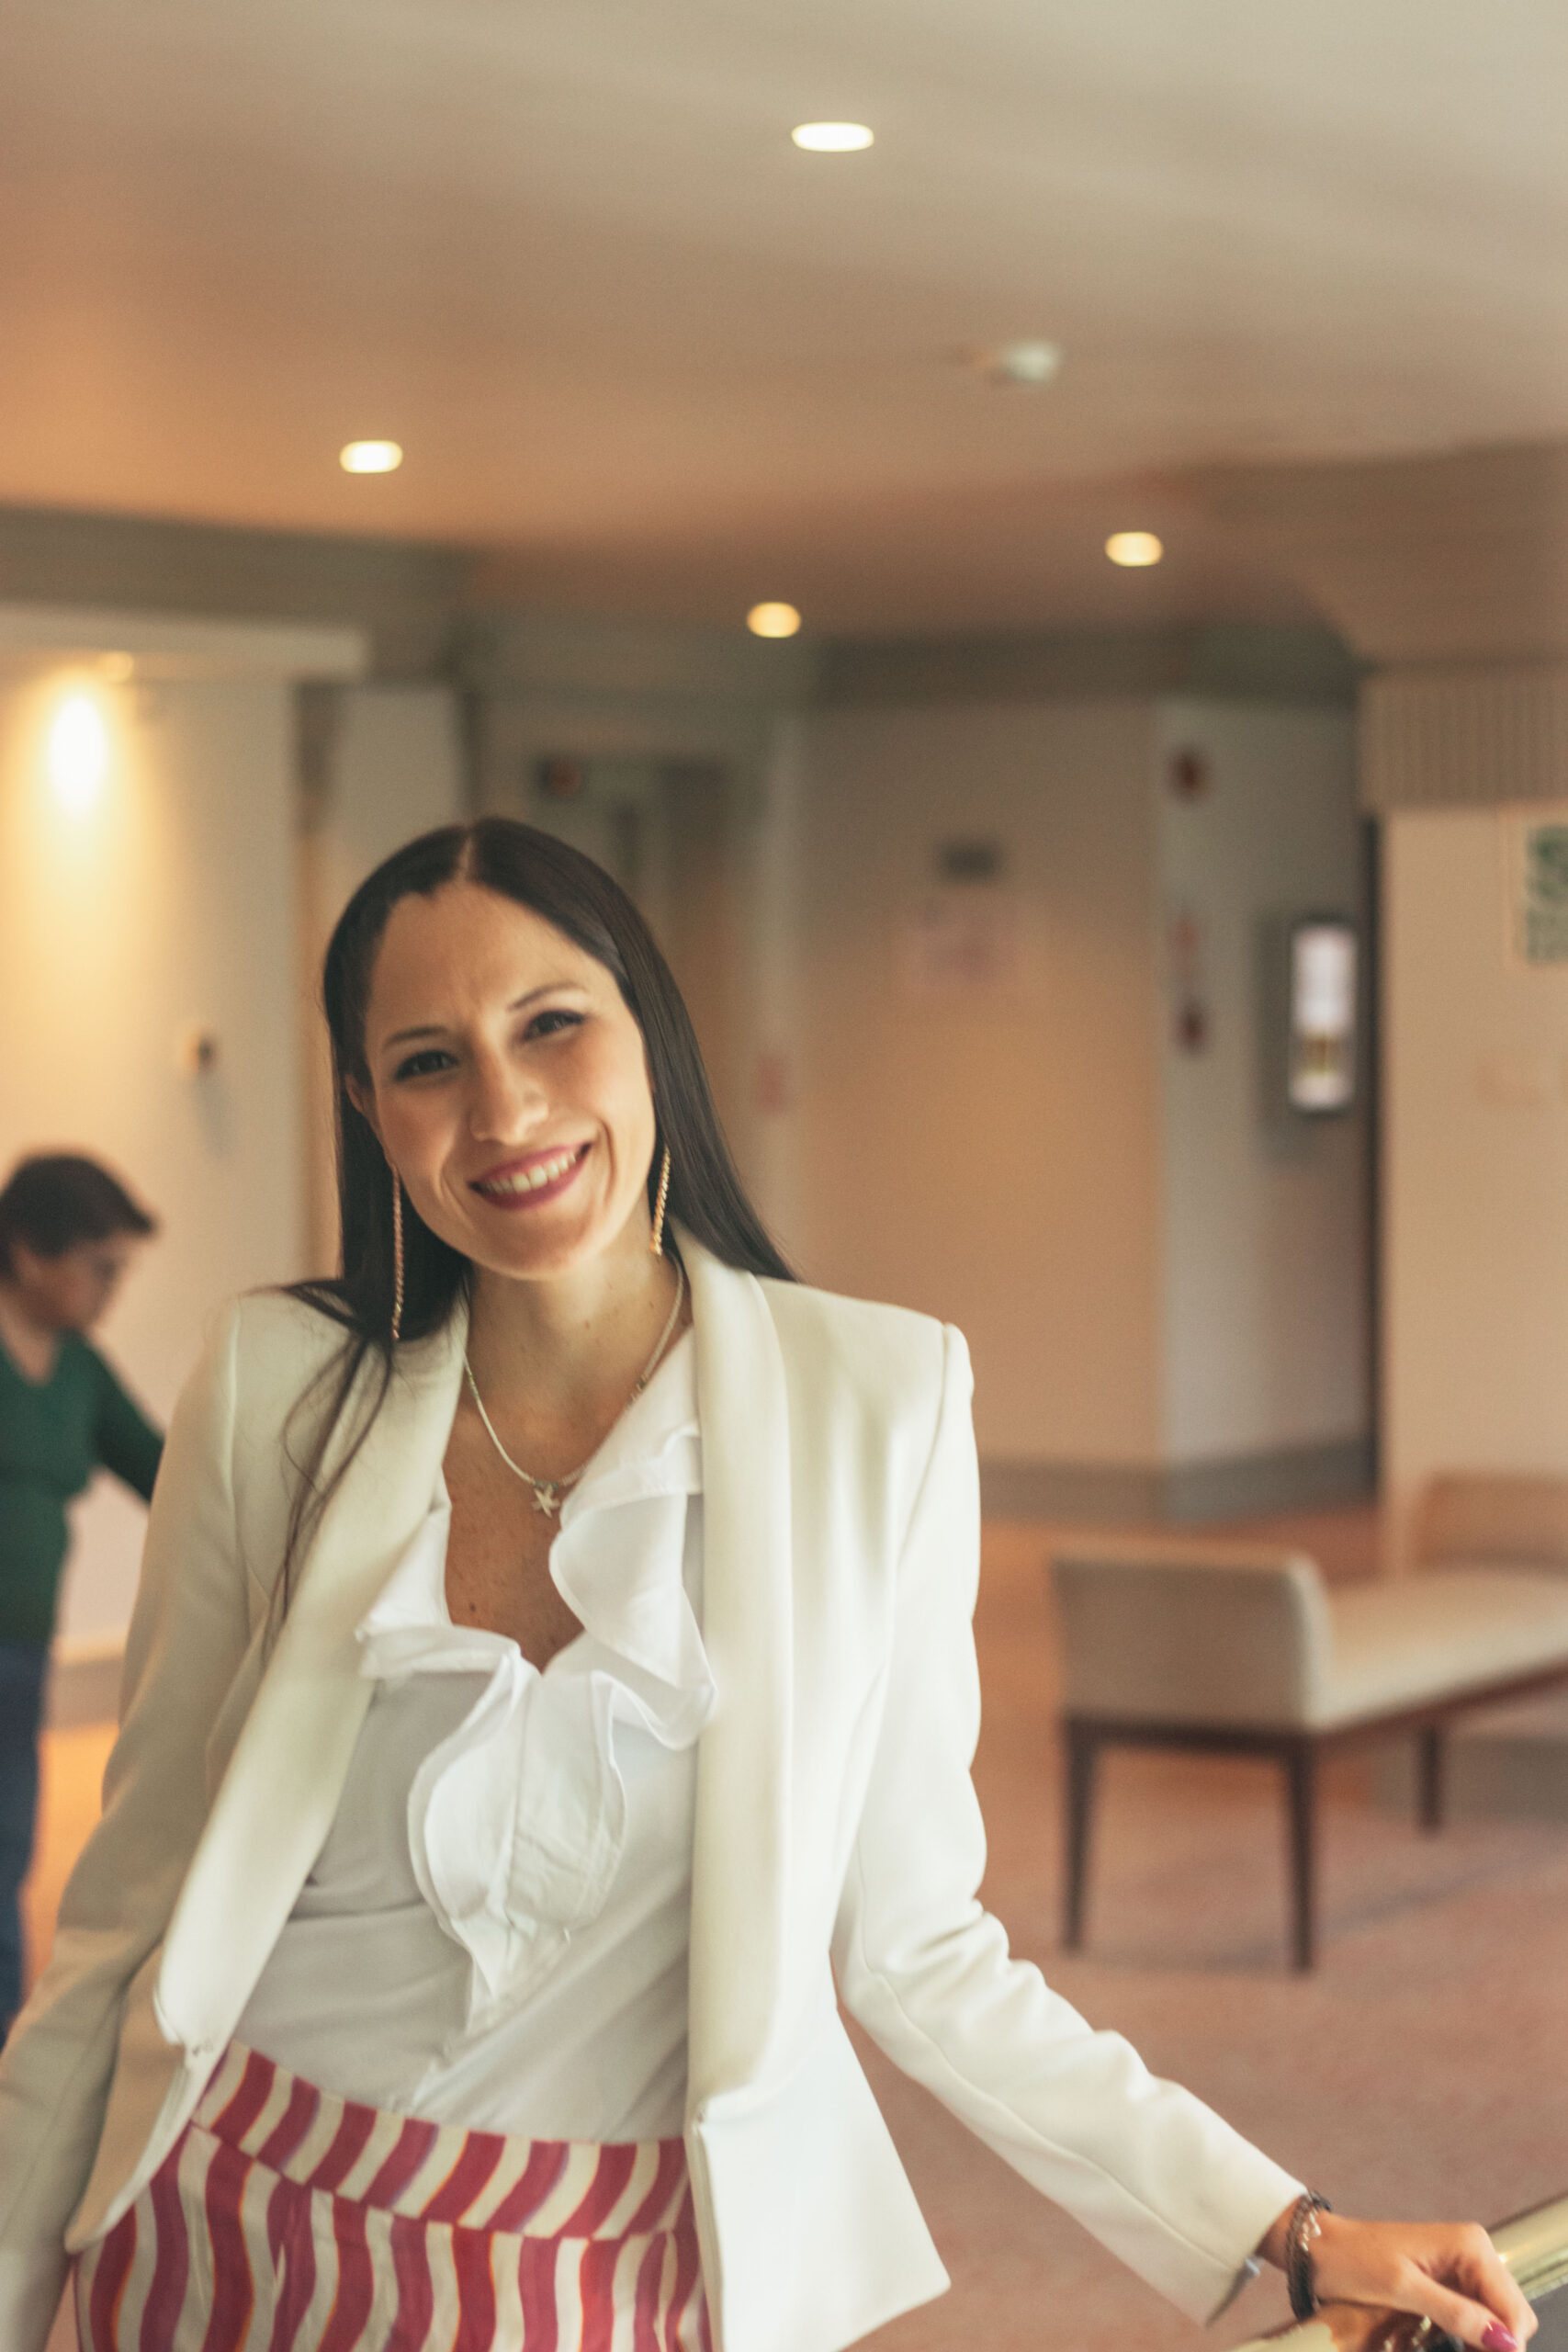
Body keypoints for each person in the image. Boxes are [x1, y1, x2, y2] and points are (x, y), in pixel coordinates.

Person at [0, 821, 1534, 2352]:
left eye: (551, 1025)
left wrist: (1288, 2231)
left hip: (595, 2281)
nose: (504, 1109)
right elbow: (125, 1920)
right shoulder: (275, 1386)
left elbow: (918, 1949)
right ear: (367, 1105)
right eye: (428, 1062)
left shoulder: (878, 1404)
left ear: (648, 1029)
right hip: (226, 2239)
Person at [0, 1154, 161, 2050]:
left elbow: (166, 1471)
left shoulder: (79, 1370)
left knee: (5, 1848)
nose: (112, 1291)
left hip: (22, 1653)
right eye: (100, 1268)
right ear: (28, 1252)